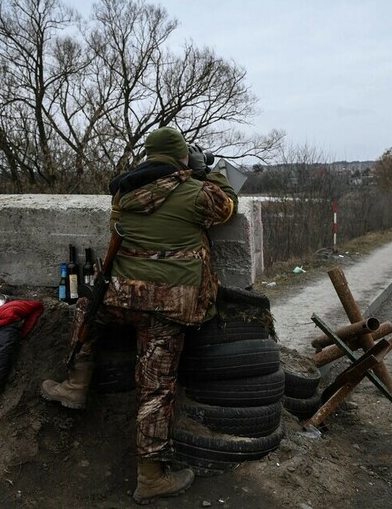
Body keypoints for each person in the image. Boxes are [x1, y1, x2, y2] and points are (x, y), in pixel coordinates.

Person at [40, 126, 238, 504]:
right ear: (183, 158)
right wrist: (208, 171)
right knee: (155, 388)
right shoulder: (198, 194)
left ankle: (75, 385)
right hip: (169, 306)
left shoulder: (122, 191)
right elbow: (229, 205)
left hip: (120, 296)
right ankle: (150, 478)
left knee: (86, 305)